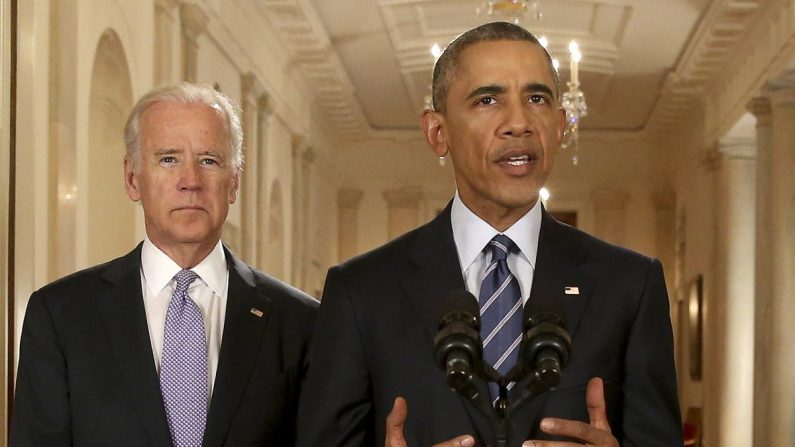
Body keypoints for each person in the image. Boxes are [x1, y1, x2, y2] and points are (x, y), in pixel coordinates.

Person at [295, 22, 681, 447]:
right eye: (488, 99)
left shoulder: (630, 284)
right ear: (437, 133)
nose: (518, 123)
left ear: (560, 125)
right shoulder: (360, 292)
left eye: (537, 98)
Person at [10, 83, 318, 447]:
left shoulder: (301, 323)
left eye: (209, 161)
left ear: (233, 184)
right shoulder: (61, 315)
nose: (191, 182)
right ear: (132, 179)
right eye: (168, 159)